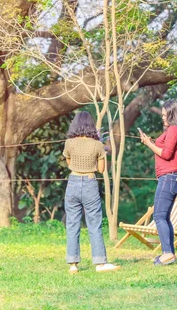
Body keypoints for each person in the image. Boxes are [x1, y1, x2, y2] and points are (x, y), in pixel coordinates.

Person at [63, 111, 120, 273]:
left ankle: (73, 264)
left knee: (72, 224)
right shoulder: (97, 145)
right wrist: (99, 159)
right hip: (89, 183)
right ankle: (100, 263)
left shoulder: (69, 143)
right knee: (94, 224)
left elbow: (69, 163)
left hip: (73, 183)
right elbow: (101, 170)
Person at [139, 100, 177, 266]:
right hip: (171, 177)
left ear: (172, 114)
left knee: (159, 216)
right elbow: (166, 148)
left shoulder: (174, 130)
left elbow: (166, 154)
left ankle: (167, 253)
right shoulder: (173, 131)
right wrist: (152, 141)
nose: (163, 118)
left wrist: (148, 143)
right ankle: (170, 254)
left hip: (170, 176)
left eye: (165, 115)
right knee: (164, 217)